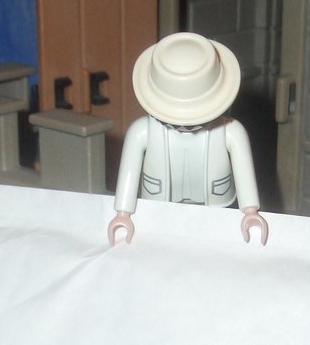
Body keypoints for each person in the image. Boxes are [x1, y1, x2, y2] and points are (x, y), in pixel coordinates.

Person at [107, 32, 268, 246]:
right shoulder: (141, 131)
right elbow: (129, 170)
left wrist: (250, 210)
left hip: (216, 205)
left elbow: (244, 172)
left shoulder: (231, 131)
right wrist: (123, 213)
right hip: (160, 205)